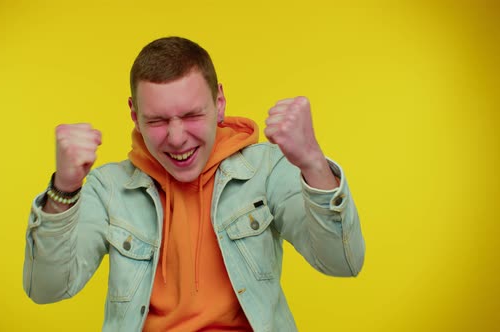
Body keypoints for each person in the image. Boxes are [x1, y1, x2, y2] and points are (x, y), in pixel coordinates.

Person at [23, 36, 365, 331]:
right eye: (156, 120)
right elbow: (46, 289)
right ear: (134, 115)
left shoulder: (267, 168)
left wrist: (313, 162)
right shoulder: (108, 188)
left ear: (219, 103)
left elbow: (342, 262)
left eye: (191, 116)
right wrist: (64, 189)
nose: (176, 138)